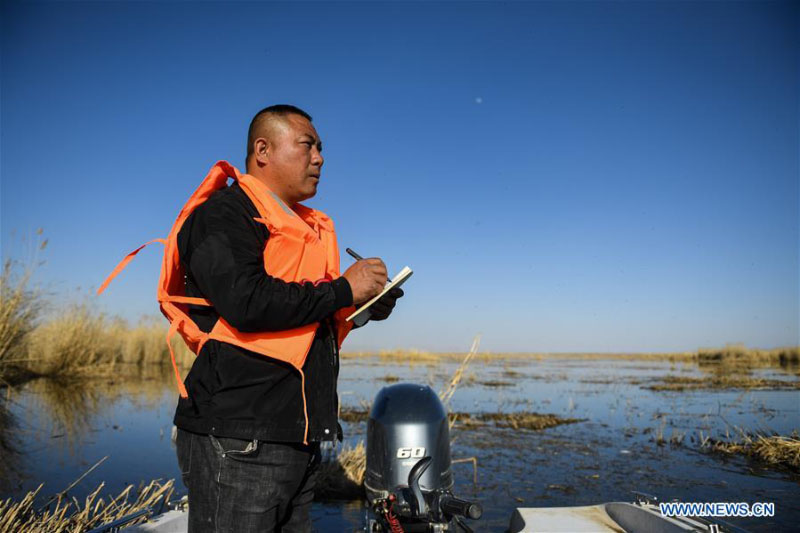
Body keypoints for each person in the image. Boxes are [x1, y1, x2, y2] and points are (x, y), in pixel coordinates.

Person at [173, 104, 403, 532]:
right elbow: (245, 301)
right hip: (239, 437)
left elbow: (304, 315)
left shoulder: (301, 229)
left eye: (320, 148)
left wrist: (361, 308)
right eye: (307, 145)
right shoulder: (224, 213)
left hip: (295, 438)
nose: (320, 158)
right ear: (263, 150)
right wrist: (343, 289)